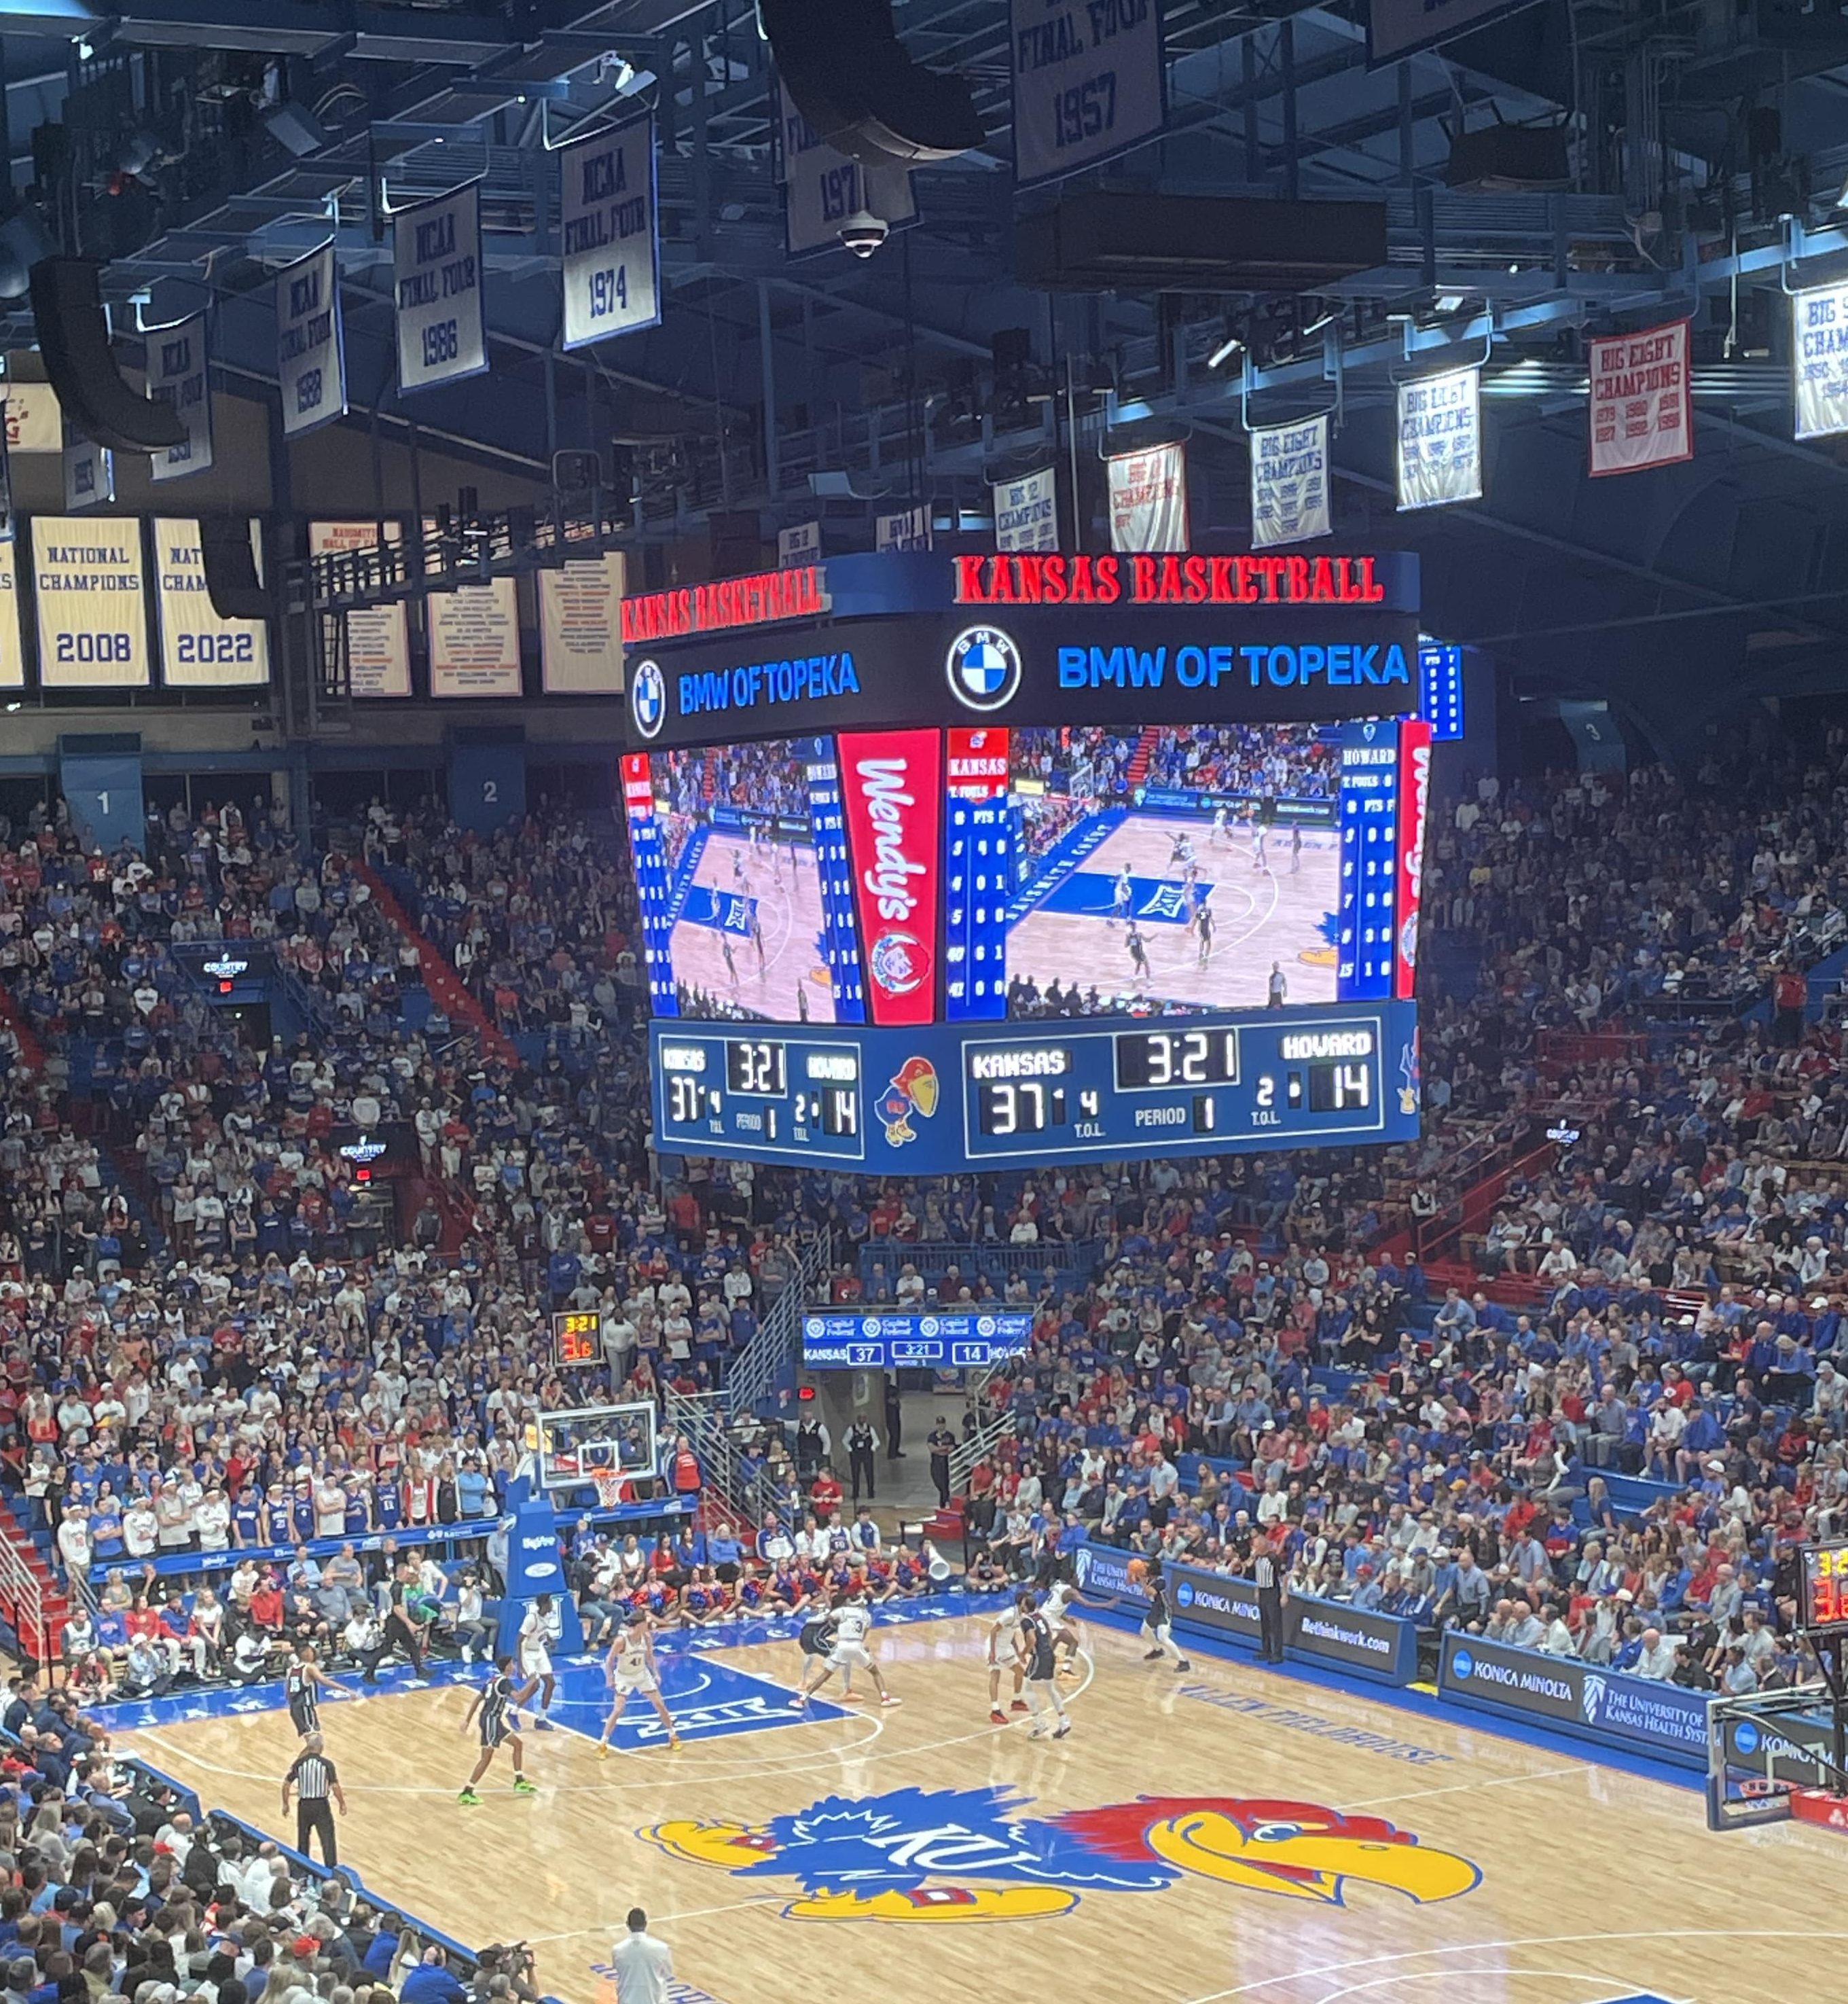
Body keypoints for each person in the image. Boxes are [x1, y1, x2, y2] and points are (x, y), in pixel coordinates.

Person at [458, 1659, 541, 1806]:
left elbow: (478, 1698)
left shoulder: (492, 1680)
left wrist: (468, 1720)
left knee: (517, 1744)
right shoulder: (504, 1682)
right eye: (512, 1663)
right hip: (491, 1721)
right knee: (487, 1757)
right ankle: (467, 1791)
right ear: (507, 1666)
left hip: (493, 1721)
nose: (514, 1666)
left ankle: (519, 1781)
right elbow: (518, 1697)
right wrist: (532, 1682)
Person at [596, 1613, 679, 1756]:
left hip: (642, 1674)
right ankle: (603, 1744)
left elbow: (650, 1657)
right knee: (618, 1710)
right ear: (639, 1625)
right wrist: (609, 1678)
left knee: (660, 1704)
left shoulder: (646, 1637)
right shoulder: (622, 1641)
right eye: (645, 1622)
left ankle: (673, 1736)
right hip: (624, 1676)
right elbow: (609, 1660)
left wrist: (656, 1673)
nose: (648, 1624)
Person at [280, 1732, 346, 1867]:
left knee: (303, 1839)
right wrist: (342, 1803)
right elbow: (335, 1785)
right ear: (321, 1747)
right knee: (328, 1840)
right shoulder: (327, 1764)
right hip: (321, 1805)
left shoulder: (299, 1763)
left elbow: (286, 1784)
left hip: (304, 1806)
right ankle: (331, 1868)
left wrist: (286, 1804)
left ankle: (302, 1868)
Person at [1015, 1595, 1070, 1741]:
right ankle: (1064, 1721)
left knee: (1025, 1687)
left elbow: (1032, 1639)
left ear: (1025, 1607)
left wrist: (1023, 1653)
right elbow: (1050, 1634)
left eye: (1022, 1604)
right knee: (1050, 1689)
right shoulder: (1041, 1617)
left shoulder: (1027, 1621)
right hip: (1049, 1655)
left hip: (1039, 1657)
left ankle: (1039, 1722)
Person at [285, 1640, 352, 1738]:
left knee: (309, 1738)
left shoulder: (291, 1669)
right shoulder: (309, 1668)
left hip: (295, 1708)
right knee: (314, 1739)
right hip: (305, 1707)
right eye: (312, 1651)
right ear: (306, 1653)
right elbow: (325, 1681)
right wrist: (346, 1690)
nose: (314, 1653)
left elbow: (288, 1691)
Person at [606, 1910, 672, 2004]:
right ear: (646, 1924)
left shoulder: (617, 1950)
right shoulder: (662, 1949)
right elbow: (667, 1973)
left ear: (627, 1925)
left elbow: (618, 1968)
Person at [517, 1594, 560, 1730]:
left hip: (539, 1650)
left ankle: (541, 1719)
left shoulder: (547, 1616)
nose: (552, 1604)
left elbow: (543, 1632)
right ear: (544, 1604)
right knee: (534, 1685)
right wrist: (520, 1666)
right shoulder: (531, 1619)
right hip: (527, 1652)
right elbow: (519, 1641)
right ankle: (513, 1712)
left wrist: (550, 1641)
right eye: (550, 1602)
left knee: (551, 1683)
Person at [1141, 1560, 1191, 1672]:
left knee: (1163, 1637)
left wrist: (1141, 1580)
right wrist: (1134, 1574)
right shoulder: (1149, 1578)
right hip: (1155, 1610)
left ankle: (1183, 1662)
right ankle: (1158, 1651)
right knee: (1144, 1631)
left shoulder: (1160, 1582)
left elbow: (1151, 1592)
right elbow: (1130, 1581)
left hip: (1164, 1611)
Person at [987, 1595, 1028, 1724]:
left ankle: (1016, 1701)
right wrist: (992, 1653)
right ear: (1021, 1603)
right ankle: (995, 1711)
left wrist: (1018, 1652)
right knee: (995, 1676)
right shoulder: (1009, 1615)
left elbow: (1012, 1634)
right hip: (994, 1647)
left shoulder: (1019, 1615)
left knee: (1020, 1672)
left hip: (1006, 1647)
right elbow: (993, 1631)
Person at [1252, 1535, 1286, 1665]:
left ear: (1263, 1545)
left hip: (1273, 1592)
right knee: (1264, 1623)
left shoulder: (1273, 1558)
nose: (1254, 1548)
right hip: (1262, 1591)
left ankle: (1278, 1653)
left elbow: (1283, 1576)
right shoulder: (1257, 1558)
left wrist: (1284, 1594)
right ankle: (1266, 1650)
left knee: (1275, 1624)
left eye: (1256, 1545)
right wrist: (1257, 1590)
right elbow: (1258, 1575)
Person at [845, 1416, 879, 1503]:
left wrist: (873, 1448)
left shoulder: (869, 1429)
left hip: (867, 1453)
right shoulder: (851, 1429)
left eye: (864, 1419)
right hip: (856, 1454)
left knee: (869, 1473)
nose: (862, 1421)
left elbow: (876, 1441)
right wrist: (850, 1449)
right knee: (855, 1473)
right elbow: (845, 1441)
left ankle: (871, 1492)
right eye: (860, 1419)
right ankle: (855, 1492)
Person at [927, 1419, 956, 1511]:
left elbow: (951, 1448)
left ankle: (944, 1502)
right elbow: (932, 1448)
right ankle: (944, 1500)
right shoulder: (932, 1436)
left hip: (945, 1463)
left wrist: (940, 1450)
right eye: (939, 1424)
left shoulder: (949, 1436)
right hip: (935, 1463)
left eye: (942, 1424)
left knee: (945, 1483)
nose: (941, 1426)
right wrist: (943, 1449)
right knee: (938, 1481)